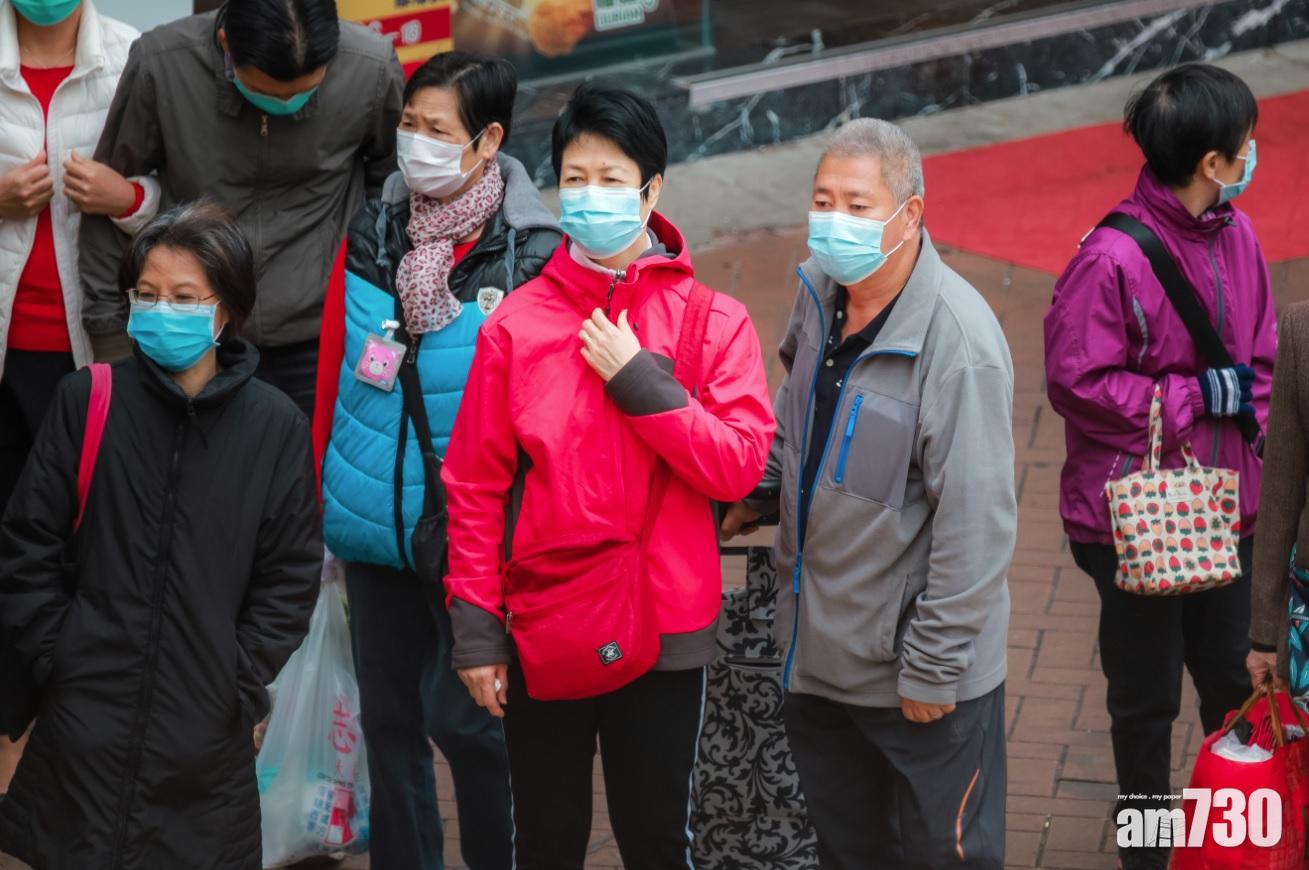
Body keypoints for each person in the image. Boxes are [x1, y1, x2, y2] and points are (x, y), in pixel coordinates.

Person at [441, 85, 775, 869]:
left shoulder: (710, 320)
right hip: (544, 622)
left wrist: (640, 383)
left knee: (656, 837)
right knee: (547, 840)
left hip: (664, 623)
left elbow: (738, 464)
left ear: (651, 190)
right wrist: (477, 631)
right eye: (575, 177)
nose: (591, 196)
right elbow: (474, 487)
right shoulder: (516, 325)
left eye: (611, 177)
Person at [722, 117, 1015, 868]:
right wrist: (753, 493)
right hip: (817, 660)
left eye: (857, 205)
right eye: (823, 201)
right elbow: (797, 431)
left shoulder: (957, 344)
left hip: (915, 679)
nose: (833, 221)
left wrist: (934, 666)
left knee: (943, 856)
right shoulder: (820, 296)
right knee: (850, 852)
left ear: (909, 213)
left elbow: (975, 526)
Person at [0, 201, 323, 869]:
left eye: (183, 297)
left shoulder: (273, 426)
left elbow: (289, 572)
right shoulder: (88, 399)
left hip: (204, 739)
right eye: (145, 296)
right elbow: (27, 543)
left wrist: (236, 676)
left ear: (226, 310)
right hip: (82, 726)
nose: (160, 311)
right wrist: (58, 651)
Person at [316, 51, 561, 870]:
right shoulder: (373, 228)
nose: (414, 144)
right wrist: (326, 502)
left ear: (487, 140)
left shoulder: (528, 253)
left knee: (471, 724)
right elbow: (334, 373)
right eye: (408, 124)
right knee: (389, 723)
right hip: (374, 522)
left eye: (437, 130)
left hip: (471, 535)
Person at [1044, 64, 1274, 869]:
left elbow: (1261, 364)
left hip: (1225, 510)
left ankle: (1228, 843)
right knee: (1142, 705)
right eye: (1245, 144)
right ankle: (1146, 852)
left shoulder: (1236, 235)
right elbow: (1076, 382)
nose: (1253, 155)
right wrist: (1191, 398)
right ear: (1212, 163)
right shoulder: (1110, 258)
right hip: (1132, 522)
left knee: (1231, 689)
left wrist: (1249, 428)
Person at [78, 0, 404, 415]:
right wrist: (111, 331)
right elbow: (107, 198)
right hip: (194, 330)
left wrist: (370, 292)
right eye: (267, 91)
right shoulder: (162, 64)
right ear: (226, 42)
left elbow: (394, 188)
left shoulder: (370, 68)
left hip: (319, 333)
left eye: (306, 93)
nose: (288, 103)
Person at [0, 0, 154, 793]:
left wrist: (128, 201)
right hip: (5, 356)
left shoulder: (132, 58)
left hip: (90, 351)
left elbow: (177, 189)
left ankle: (73, 741)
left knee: (85, 547)